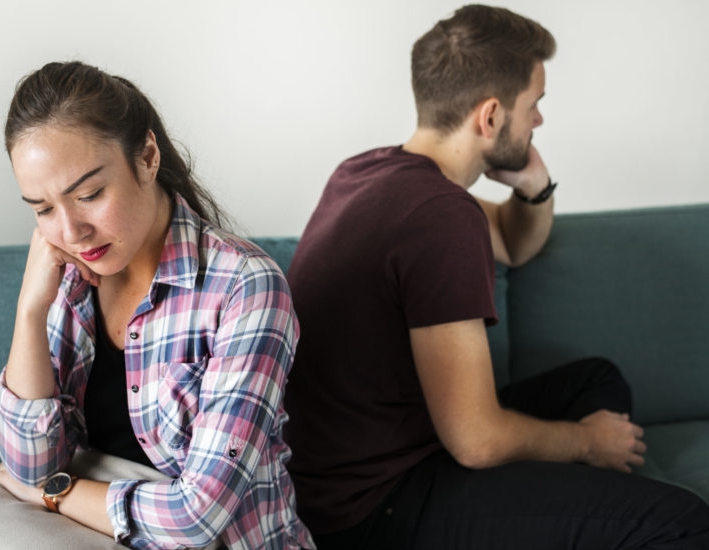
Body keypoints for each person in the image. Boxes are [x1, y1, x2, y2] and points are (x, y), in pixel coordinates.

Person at [282, 4, 709, 549]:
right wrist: (584, 443)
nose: (538, 122)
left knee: (596, 380)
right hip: (375, 506)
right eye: (534, 105)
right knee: (685, 520)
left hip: (356, 469)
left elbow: (512, 241)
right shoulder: (440, 215)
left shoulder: (366, 172)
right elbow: (477, 441)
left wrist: (535, 184)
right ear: (489, 117)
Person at [0, 61, 314, 550]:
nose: (72, 231)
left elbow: (197, 517)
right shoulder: (69, 279)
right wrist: (30, 311)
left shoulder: (245, 288)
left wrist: (54, 494)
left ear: (146, 156)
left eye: (90, 194)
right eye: (43, 209)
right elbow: (28, 464)